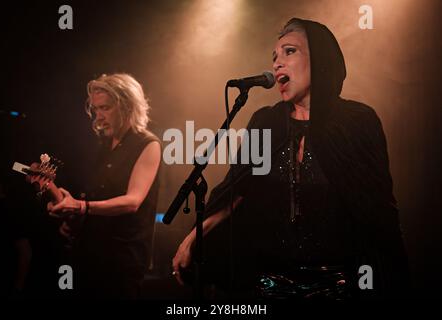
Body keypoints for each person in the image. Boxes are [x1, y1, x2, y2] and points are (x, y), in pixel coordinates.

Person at [172, 18, 409, 299]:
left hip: (339, 282)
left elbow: (376, 208)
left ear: (320, 59)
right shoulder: (266, 121)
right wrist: (195, 236)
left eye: (289, 51)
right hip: (268, 282)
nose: (276, 64)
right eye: (274, 57)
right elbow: (239, 189)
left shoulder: (357, 121)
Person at [47, 73, 161, 299]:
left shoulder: (148, 144)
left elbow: (132, 201)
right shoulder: (103, 145)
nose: (98, 116)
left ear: (127, 106)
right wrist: (72, 213)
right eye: (95, 109)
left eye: (105, 108)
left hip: (121, 263)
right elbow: (95, 197)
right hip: (89, 253)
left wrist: (80, 206)